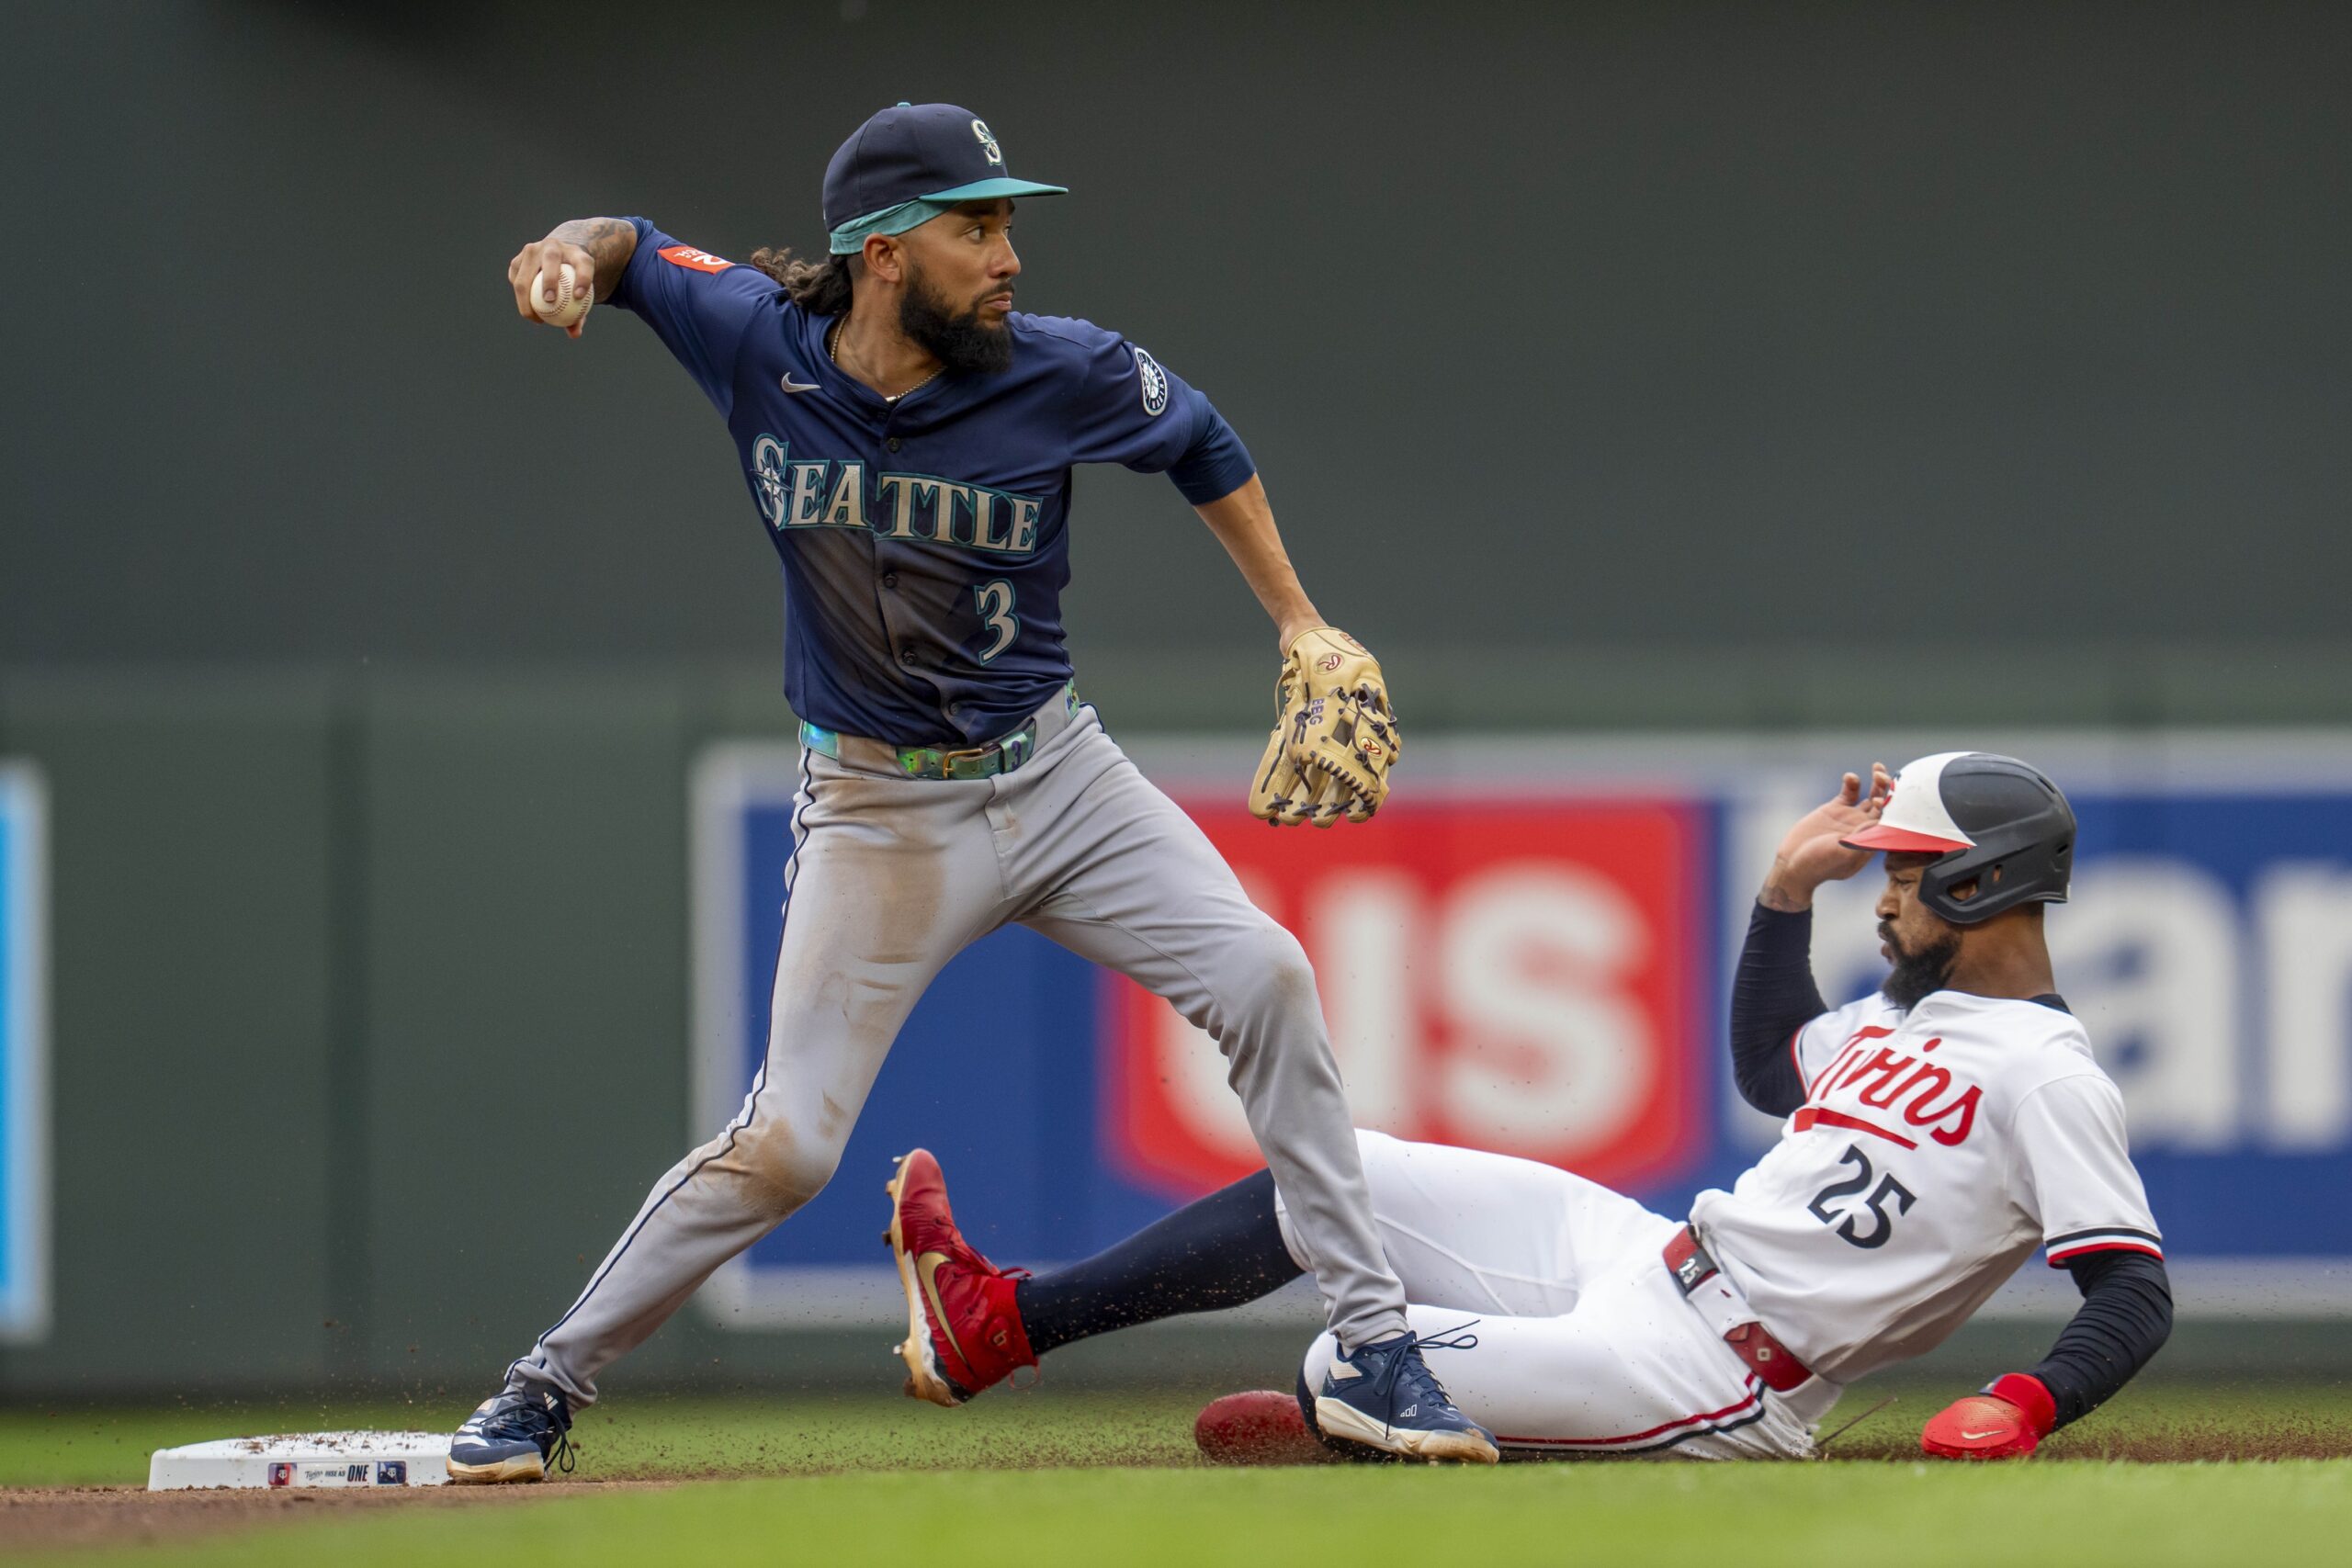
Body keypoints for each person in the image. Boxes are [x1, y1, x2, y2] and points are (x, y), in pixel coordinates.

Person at [446, 102, 1488, 1483]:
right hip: (877, 813)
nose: (1009, 258)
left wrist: (1298, 619)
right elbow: (629, 245)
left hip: (1058, 779)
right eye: (976, 228)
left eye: (1008, 225)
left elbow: (1201, 439)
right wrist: (565, 252)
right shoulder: (756, 338)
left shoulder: (1063, 368)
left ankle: (1372, 1345)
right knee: (787, 1147)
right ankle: (544, 1383)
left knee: (1268, 976)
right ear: (882, 253)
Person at [886, 752, 2173, 1459]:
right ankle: (997, 1326)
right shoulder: (1902, 1016)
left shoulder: (2051, 1077)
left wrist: (2028, 1399)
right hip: (1644, 1261)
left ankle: (1362, 1430)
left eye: (1903, 872)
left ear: (1979, 883)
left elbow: (2132, 1292)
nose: (1881, 895)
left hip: (1718, 1376)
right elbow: (1770, 1070)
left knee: (1350, 1359)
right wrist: (1785, 892)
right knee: (1342, 1173)